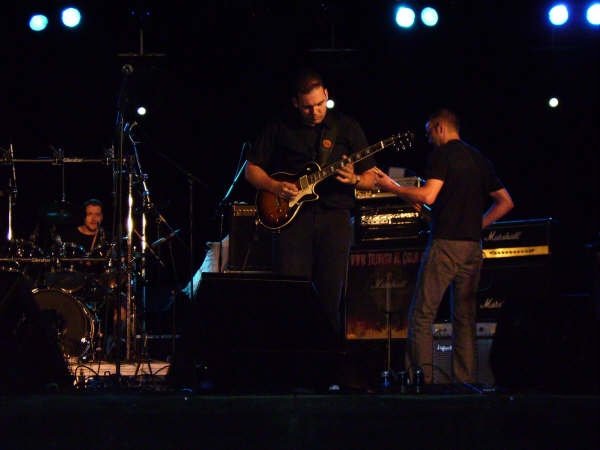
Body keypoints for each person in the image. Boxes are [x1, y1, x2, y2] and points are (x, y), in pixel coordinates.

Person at [374, 108, 514, 384]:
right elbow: (506, 202)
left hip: (446, 245)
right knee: (465, 318)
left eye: (429, 133)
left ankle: (421, 380)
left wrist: (393, 187)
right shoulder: (479, 159)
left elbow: (428, 194)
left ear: (439, 127)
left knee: (422, 314)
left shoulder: (443, 154)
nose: (429, 139)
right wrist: (477, 225)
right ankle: (465, 383)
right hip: (472, 248)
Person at [244, 67, 378, 337]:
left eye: (319, 104)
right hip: (293, 221)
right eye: (307, 107)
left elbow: (372, 178)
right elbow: (251, 170)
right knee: (291, 294)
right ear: (295, 103)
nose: (315, 111)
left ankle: (327, 357)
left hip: (334, 218)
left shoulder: (347, 127)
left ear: (326, 95)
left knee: (330, 295)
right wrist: (274, 186)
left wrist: (354, 179)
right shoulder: (279, 126)